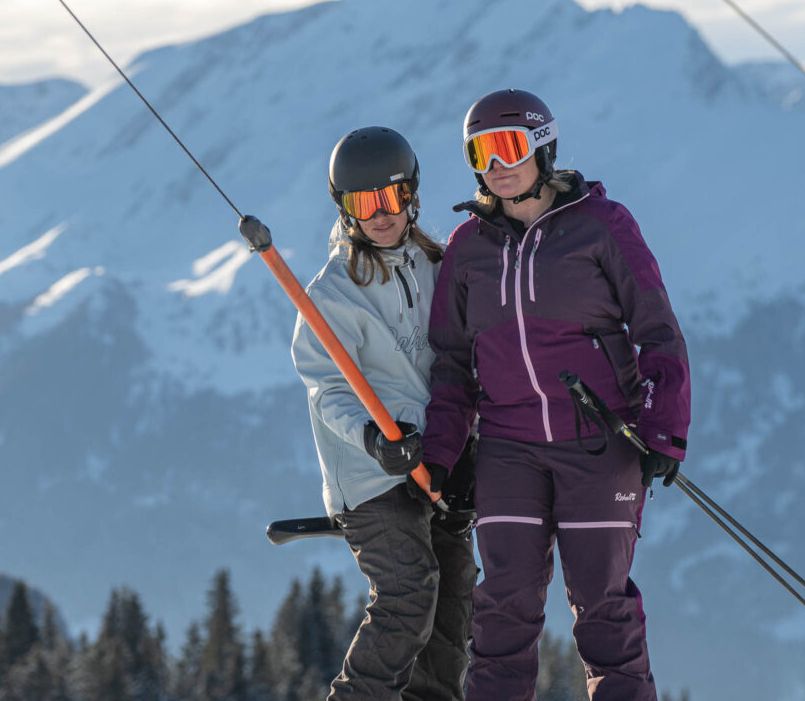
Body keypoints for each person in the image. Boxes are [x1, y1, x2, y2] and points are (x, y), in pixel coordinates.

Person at [422, 90, 690, 701]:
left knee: (603, 605)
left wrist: (664, 428)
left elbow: (657, 331)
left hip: (599, 443)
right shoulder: (468, 247)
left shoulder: (602, 226)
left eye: (510, 146)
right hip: (508, 448)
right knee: (502, 608)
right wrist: (441, 456)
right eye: (480, 151)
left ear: (543, 146)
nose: (496, 164)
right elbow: (453, 364)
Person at [292, 126, 479, 701]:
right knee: (408, 593)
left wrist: (464, 451)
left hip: (435, 463)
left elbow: (460, 364)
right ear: (344, 209)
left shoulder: (435, 265)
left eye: (391, 197)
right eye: (364, 202)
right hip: (372, 476)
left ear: (412, 196)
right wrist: (375, 440)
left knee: (453, 598)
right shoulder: (334, 292)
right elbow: (327, 386)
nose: (381, 214)